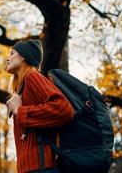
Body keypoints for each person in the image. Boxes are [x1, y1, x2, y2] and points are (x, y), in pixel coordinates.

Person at [5, 39, 75, 173]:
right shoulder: (23, 88)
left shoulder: (33, 77)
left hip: (42, 167)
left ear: (24, 57)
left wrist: (20, 111)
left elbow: (64, 109)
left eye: (12, 53)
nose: (8, 59)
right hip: (32, 168)